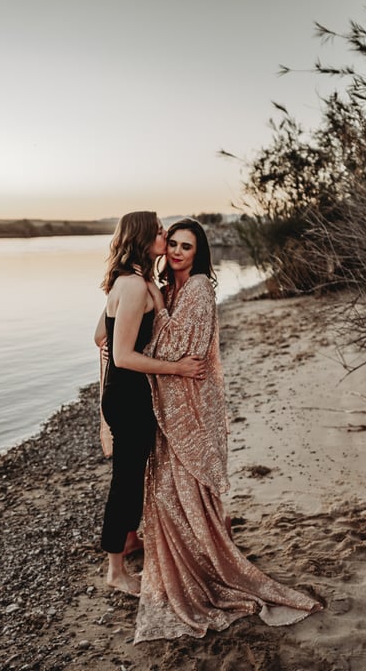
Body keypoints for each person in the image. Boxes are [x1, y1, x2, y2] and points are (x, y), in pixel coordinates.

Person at [135, 218, 323, 642]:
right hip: (169, 402)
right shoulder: (168, 288)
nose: (179, 251)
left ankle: (206, 567)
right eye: (175, 244)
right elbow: (151, 344)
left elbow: (181, 347)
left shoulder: (198, 289)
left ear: (199, 253)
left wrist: (158, 317)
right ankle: (188, 563)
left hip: (191, 408)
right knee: (166, 490)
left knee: (175, 488)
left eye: (188, 246)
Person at [93, 211, 206, 597]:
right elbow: (122, 356)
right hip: (128, 396)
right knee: (126, 481)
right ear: (144, 238)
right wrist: (175, 367)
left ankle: (128, 540)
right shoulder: (135, 286)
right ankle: (116, 571)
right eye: (159, 231)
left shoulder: (129, 282)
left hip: (124, 393)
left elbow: (99, 337)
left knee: (133, 473)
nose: (165, 235)